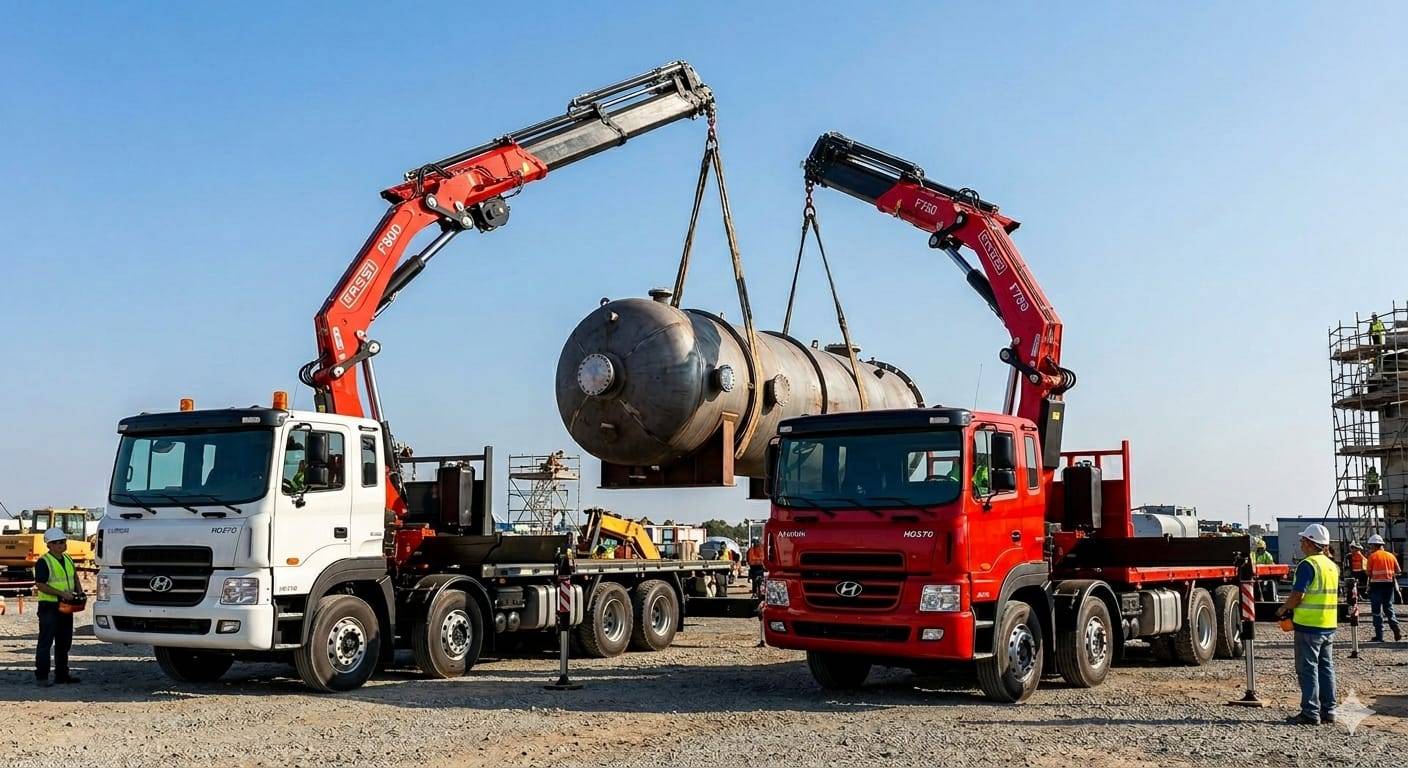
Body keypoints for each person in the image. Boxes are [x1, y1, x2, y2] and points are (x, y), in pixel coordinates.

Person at [1276, 524, 1338, 725]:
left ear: (1311, 543)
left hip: (1309, 626)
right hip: (1327, 625)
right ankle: (1329, 711)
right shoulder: (1331, 565)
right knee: (1326, 668)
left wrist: (1283, 609)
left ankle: (1310, 712)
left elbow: (1298, 594)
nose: (1301, 543)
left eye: (1303, 540)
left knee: (1308, 669)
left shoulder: (1307, 565)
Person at [34, 527, 81, 687]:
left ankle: (61, 675)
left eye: (63, 541)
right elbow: (40, 585)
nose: (62, 544)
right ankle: (42, 676)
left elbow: (74, 576)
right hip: (49, 606)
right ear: (49, 545)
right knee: (46, 641)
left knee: (64, 641)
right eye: (58, 542)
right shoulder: (43, 561)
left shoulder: (67, 559)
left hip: (65, 605)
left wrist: (79, 592)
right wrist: (61, 593)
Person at [1366, 534, 1402, 642]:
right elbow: (1398, 571)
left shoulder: (1372, 557)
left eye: (1371, 545)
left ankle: (1379, 636)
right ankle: (1395, 628)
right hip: (1389, 585)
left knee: (1377, 611)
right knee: (1388, 607)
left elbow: (1368, 572)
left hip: (1376, 586)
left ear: (1374, 545)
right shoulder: (1391, 556)